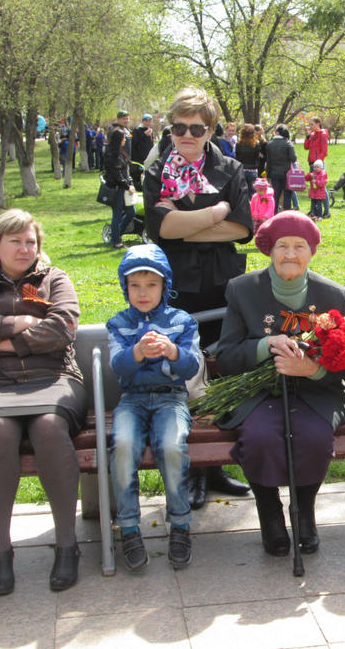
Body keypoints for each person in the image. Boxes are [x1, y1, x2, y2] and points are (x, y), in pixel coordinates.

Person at [0, 209, 86, 595]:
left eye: (30, 241)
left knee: (49, 426)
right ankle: (0, 550)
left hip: (54, 377)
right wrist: (23, 323)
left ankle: (68, 545)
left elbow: (63, 327)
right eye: (15, 240)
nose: (24, 248)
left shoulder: (53, 280)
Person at [215, 211, 345, 556]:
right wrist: (266, 345)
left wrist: (311, 370)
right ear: (268, 250)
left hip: (315, 390)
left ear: (312, 251)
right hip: (257, 390)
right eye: (282, 246)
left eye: (299, 246)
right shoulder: (242, 290)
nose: (291, 254)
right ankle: (270, 513)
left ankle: (304, 512)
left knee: (316, 438)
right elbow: (228, 356)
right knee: (260, 439)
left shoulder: (335, 296)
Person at [143, 86, 253, 508]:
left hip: (221, 282)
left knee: (219, 370)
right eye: (179, 127)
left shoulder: (230, 167)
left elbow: (242, 227)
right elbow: (161, 230)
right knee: (181, 372)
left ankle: (216, 465)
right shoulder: (157, 171)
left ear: (210, 130)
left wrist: (185, 222)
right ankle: (187, 471)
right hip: (177, 283)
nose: (187, 135)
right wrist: (213, 214)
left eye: (196, 128)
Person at [107, 244, 201, 570]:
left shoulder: (182, 321)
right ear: (125, 287)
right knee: (122, 446)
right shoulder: (118, 323)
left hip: (171, 398)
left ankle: (180, 523)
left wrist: (173, 351)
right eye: (135, 285)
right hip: (131, 401)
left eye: (151, 285)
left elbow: (191, 368)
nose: (143, 293)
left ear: (165, 286)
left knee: (172, 446)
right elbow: (118, 365)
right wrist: (137, 353)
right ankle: (129, 527)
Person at [102, 127, 136, 249]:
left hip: (125, 187)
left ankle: (117, 233)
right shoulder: (111, 154)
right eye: (123, 138)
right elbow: (116, 174)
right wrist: (127, 186)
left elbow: (126, 171)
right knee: (117, 214)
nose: (125, 140)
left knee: (131, 212)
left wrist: (130, 183)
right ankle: (116, 241)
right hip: (117, 188)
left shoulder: (121, 152)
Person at [265, 124, 299, 212]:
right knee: (287, 194)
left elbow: (268, 161)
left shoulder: (269, 144)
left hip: (274, 173)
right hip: (287, 173)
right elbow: (293, 158)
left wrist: (267, 174)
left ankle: (274, 213)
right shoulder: (288, 144)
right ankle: (286, 213)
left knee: (275, 195)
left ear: (277, 132)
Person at [235, 123, 264, 197]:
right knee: (253, 193)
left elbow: (237, 157)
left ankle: (244, 207)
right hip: (253, 170)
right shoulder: (256, 144)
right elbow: (257, 157)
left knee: (243, 192)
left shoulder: (238, 144)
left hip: (242, 170)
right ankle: (253, 207)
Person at [130, 114, 155, 191]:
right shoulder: (137, 130)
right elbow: (134, 142)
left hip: (148, 156)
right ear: (143, 121)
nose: (148, 123)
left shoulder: (150, 131)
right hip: (138, 157)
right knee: (138, 174)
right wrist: (144, 135)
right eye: (146, 121)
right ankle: (138, 187)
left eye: (149, 121)